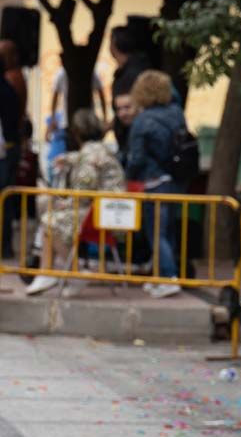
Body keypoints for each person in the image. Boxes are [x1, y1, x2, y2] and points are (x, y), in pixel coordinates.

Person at [26, 109, 125, 296]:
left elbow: (84, 190)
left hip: (103, 213)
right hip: (111, 210)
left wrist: (67, 202)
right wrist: (68, 159)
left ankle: (74, 272)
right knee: (50, 219)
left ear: (77, 133)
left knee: (51, 221)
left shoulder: (89, 156)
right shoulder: (98, 150)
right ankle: (46, 271)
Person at [125, 70, 187, 298]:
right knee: (168, 230)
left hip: (153, 182)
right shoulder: (176, 113)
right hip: (175, 181)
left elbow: (137, 158)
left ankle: (168, 278)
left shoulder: (143, 120)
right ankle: (161, 277)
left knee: (156, 233)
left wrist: (128, 174)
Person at [46, 60, 107, 141]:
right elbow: (55, 97)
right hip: (69, 121)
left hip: (87, 120)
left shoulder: (91, 73)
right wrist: (53, 118)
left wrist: (104, 118)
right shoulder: (62, 74)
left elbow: (101, 94)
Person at [0, 53, 21, 260]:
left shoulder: (6, 90)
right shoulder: (9, 88)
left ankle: (4, 246)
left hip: (4, 153)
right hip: (8, 151)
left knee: (4, 202)